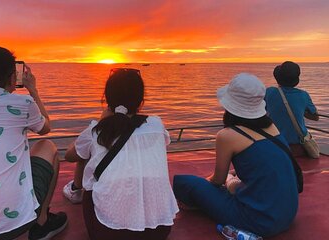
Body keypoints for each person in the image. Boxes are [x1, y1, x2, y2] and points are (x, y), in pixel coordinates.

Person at [173, 73, 298, 237]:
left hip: (257, 221)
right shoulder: (272, 127)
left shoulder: (227, 135)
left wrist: (227, 181)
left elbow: (217, 181)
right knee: (231, 182)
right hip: (286, 216)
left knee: (184, 182)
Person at [63, 68, 178, 240]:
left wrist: (102, 122)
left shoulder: (97, 131)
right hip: (159, 230)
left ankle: (75, 190)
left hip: (108, 232)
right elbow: (163, 142)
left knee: (87, 156)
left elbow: (69, 155)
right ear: (141, 100)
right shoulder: (156, 124)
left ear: (107, 100)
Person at [0, 46, 67, 240]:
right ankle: (42, 222)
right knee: (47, 146)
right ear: (13, 76)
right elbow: (45, 127)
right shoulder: (22, 105)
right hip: (14, 222)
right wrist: (33, 91)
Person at [265, 61, 319, 156]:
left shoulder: (269, 92)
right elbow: (315, 117)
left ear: (278, 78)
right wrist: (300, 110)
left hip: (275, 144)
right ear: (296, 80)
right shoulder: (303, 95)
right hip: (297, 147)